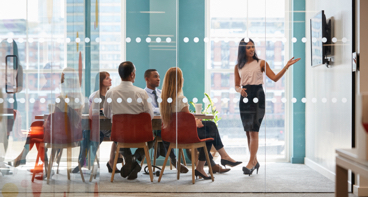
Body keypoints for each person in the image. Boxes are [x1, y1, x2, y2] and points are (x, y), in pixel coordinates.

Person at [160, 67, 241, 180]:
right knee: (210, 130)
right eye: (181, 77)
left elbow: (180, 120)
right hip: (184, 135)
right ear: (179, 81)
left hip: (171, 136)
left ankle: (212, 163)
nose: (183, 79)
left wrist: (194, 121)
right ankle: (220, 159)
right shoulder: (181, 99)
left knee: (210, 128)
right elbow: (186, 121)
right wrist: (196, 121)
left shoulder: (164, 100)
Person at [234, 38, 300, 175]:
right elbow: (236, 85)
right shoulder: (238, 66)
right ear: (242, 50)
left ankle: (250, 163)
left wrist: (286, 66)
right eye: (248, 47)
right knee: (248, 132)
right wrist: (240, 90)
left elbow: (275, 78)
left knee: (254, 131)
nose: (252, 49)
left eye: (253, 46)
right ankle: (254, 161)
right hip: (244, 97)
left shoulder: (261, 63)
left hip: (258, 96)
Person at [103, 61, 154, 180]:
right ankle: (135, 160)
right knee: (152, 139)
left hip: (120, 135)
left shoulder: (111, 93)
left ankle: (130, 162)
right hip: (141, 135)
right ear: (132, 74)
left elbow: (106, 114)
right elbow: (149, 116)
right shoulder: (142, 93)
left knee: (117, 138)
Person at [71, 71, 122, 174]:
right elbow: (91, 115)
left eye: (109, 77)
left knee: (119, 135)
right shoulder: (95, 95)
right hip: (98, 127)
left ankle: (110, 161)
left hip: (111, 126)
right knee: (91, 133)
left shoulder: (112, 94)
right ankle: (87, 161)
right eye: (107, 78)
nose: (110, 79)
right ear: (101, 81)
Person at [144, 69, 188, 173]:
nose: (158, 79)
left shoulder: (163, 94)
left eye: (159, 76)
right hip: (150, 127)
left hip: (164, 125)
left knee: (164, 129)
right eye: (155, 76)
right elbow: (148, 110)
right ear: (147, 79)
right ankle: (174, 159)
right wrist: (163, 110)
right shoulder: (143, 94)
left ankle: (173, 158)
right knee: (161, 131)